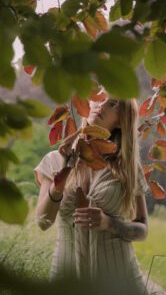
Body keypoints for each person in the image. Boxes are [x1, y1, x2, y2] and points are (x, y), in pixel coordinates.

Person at [34, 96, 151, 294]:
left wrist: (109, 223)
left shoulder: (127, 168)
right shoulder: (54, 160)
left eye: (112, 103)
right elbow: (43, 222)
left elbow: (142, 229)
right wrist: (60, 181)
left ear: (121, 121)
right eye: (100, 98)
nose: (101, 105)